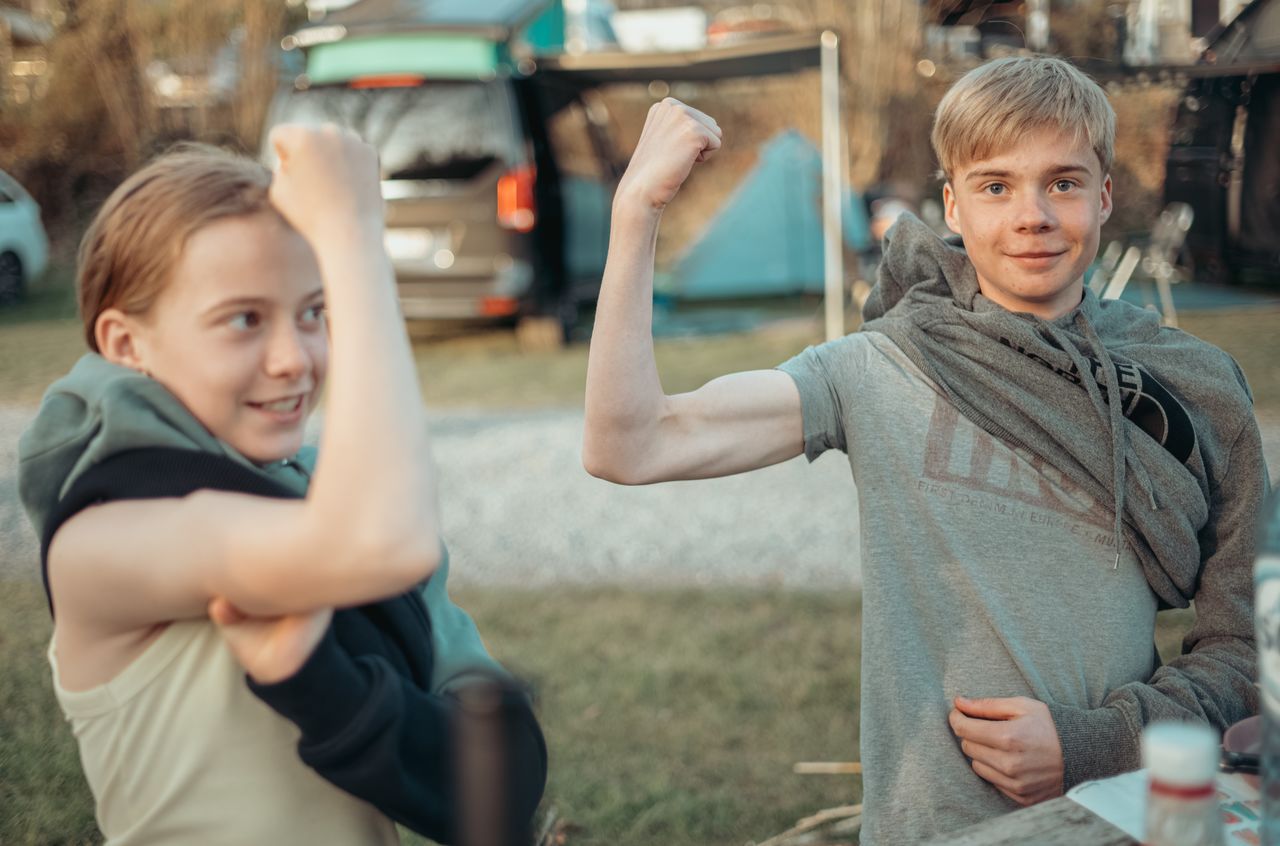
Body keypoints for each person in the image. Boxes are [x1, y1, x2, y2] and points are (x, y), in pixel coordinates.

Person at [582, 56, 1269, 843]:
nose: (1032, 215)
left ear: (1105, 195)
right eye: (995, 186)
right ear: (953, 204)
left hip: (1117, 821)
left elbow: (1245, 647)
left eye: (1064, 183)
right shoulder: (879, 369)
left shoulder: (1196, 388)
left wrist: (1098, 744)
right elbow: (630, 444)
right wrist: (637, 209)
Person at [18, 128, 545, 844]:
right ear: (124, 344)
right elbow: (376, 542)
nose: (294, 359)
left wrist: (327, 687)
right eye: (243, 319)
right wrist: (353, 231)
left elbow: (498, 774)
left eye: (315, 312)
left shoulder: (326, 498)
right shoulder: (103, 537)